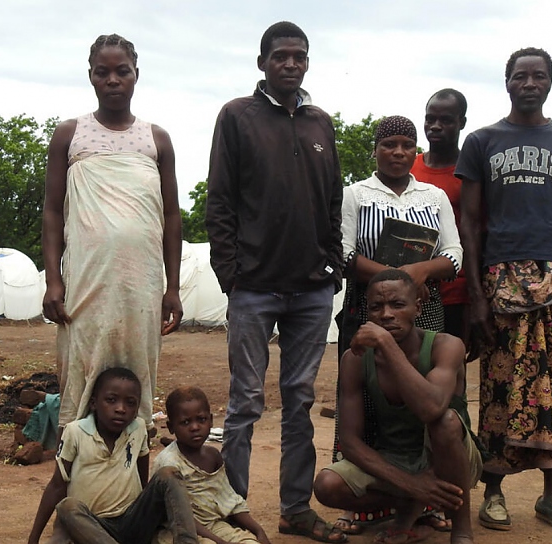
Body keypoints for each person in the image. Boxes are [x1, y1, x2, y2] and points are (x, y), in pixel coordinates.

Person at [205, 21, 345, 543]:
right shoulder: (237, 116)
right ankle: (232, 510)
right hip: (254, 288)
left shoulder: (319, 123)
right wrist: (231, 274)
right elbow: (219, 200)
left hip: (311, 289)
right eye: (281, 56)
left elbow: (332, 200)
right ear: (262, 62)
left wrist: (331, 267)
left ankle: (295, 510)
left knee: (301, 400)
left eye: (300, 56)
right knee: (244, 402)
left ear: (307, 63)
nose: (291, 64)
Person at [456, 47, 552, 533]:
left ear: (550, 81)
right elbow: (469, 224)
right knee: (500, 385)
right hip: (501, 280)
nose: (529, 82)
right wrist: (476, 295)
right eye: (521, 75)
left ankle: (550, 496)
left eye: (539, 75)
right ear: (507, 82)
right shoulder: (482, 141)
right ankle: (493, 493)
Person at [41, 34, 183, 433]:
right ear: (91, 77)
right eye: (103, 72)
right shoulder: (70, 134)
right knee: (82, 372)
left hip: (141, 283)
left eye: (122, 71)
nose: (113, 80)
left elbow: (172, 217)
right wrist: (54, 280)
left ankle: (135, 482)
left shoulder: (157, 139)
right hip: (85, 281)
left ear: (137, 75)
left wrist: (172, 288)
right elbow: (53, 212)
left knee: (137, 374)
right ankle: (74, 483)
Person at [332, 115, 463, 533]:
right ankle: (369, 504)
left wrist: (419, 272)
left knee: (423, 394)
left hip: (423, 304)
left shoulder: (434, 195)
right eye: (389, 144)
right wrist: (393, 280)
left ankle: (435, 497)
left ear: (416, 149)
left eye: (408, 144)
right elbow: (344, 254)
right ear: (375, 149)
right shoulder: (356, 194)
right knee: (370, 398)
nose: (399, 152)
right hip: (369, 304)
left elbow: (454, 254)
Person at [314, 269, 480, 544]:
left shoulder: (447, 346)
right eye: (377, 307)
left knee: (446, 422)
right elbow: (350, 441)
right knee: (327, 485)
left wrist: (386, 344)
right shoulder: (355, 359)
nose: (386, 314)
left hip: (450, 459)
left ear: (417, 307)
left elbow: (431, 409)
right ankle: (411, 505)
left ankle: (461, 528)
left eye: (397, 305)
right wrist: (411, 484)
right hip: (395, 457)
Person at [27, 367, 198, 544]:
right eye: (111, 400)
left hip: (132, 522)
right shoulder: (75, 432)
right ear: (94, 403)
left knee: (168, 474)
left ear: (137, 408)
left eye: (130, 403)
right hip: (93, 527)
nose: (121, 409)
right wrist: (33, 539)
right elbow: (57, 485)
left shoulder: (138, 429)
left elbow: (142, 482)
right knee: (67, 507)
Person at [154, 387, 271, 544]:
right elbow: (180, 517)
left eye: (201, 420)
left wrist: (258, 531)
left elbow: (229, 500)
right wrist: (219, 541)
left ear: (211, 420)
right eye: (185, 422)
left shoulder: (212, 456)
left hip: (214, 526)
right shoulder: (169, 463)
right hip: (178, 531)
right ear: (171, 427)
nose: (195, 427)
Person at [410, 90, 470, 341]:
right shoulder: (408, 166)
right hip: (411, 290)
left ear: (462, 123)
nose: (435, 126)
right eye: (430, 119)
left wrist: (475, 300)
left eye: (445, 120)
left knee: (450, 369)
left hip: (455, 292)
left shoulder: (469, 174)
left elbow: (474, 235)